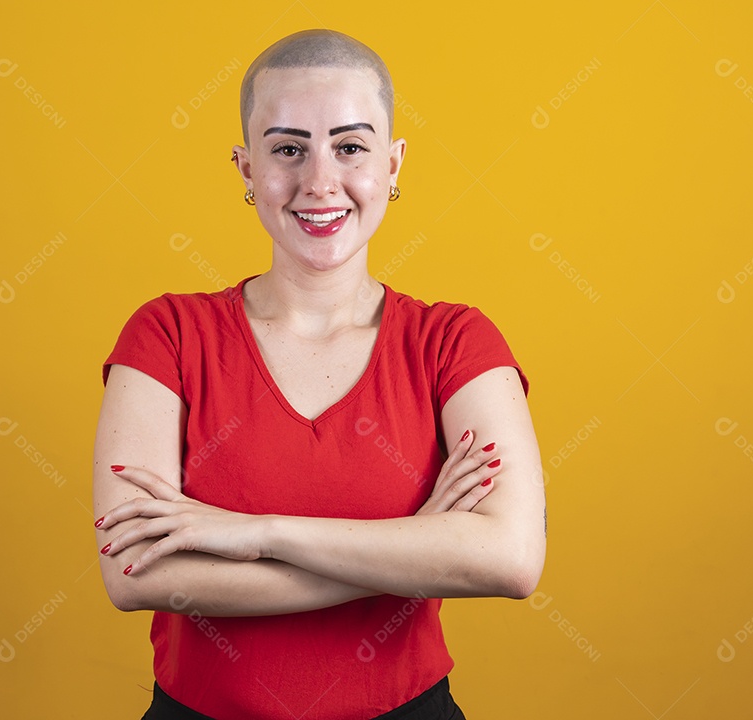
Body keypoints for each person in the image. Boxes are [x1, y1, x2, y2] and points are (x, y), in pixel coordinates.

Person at [93, 28, 545, 720]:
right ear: (247, 169)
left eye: (350, 146)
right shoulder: (167, 335)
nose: (319, 182)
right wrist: (413, 545)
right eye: (288, 149)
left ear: (393, 165)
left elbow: (511, 558)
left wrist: (258, 533)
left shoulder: (454, 342)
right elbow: (136, 573)